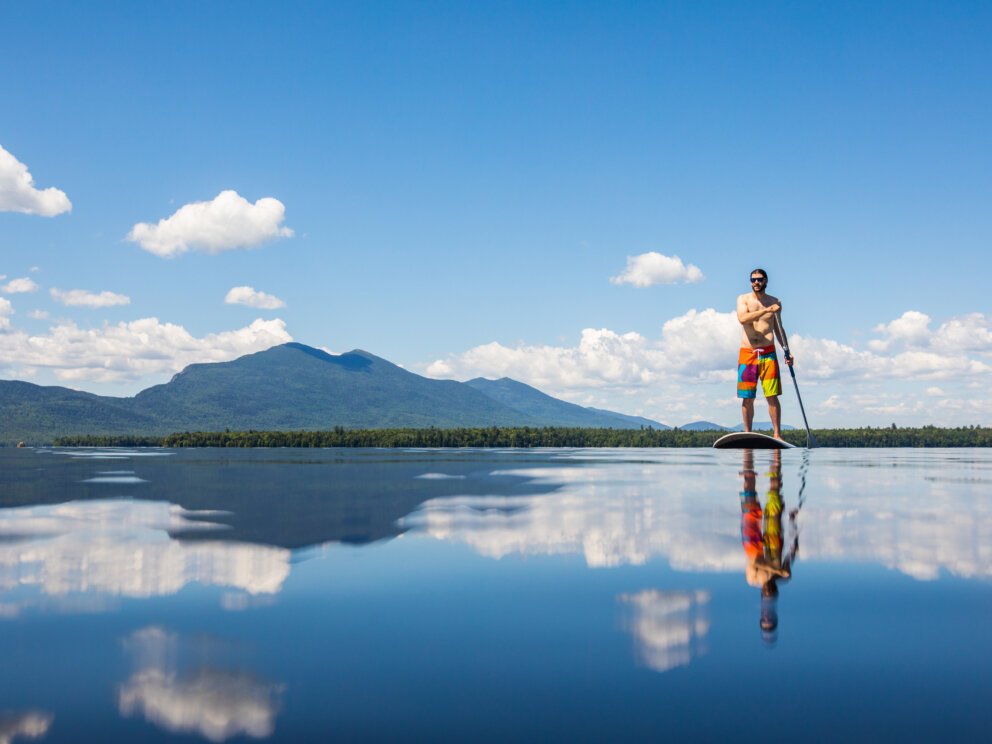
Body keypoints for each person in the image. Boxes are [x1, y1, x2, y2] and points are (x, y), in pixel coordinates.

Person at [736, 268, 794, 440]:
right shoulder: (743, 299)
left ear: (766, 281)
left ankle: (777, 434)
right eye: (753, 280)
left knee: (772, 395)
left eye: (760, 279)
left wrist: (787, 351)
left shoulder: (775, 302)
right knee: (747, 397)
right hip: (748, 353)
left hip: (768, 353)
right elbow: (742, 319)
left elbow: (778, 329)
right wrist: (766, 311)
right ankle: (747, 433)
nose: (756, 283)